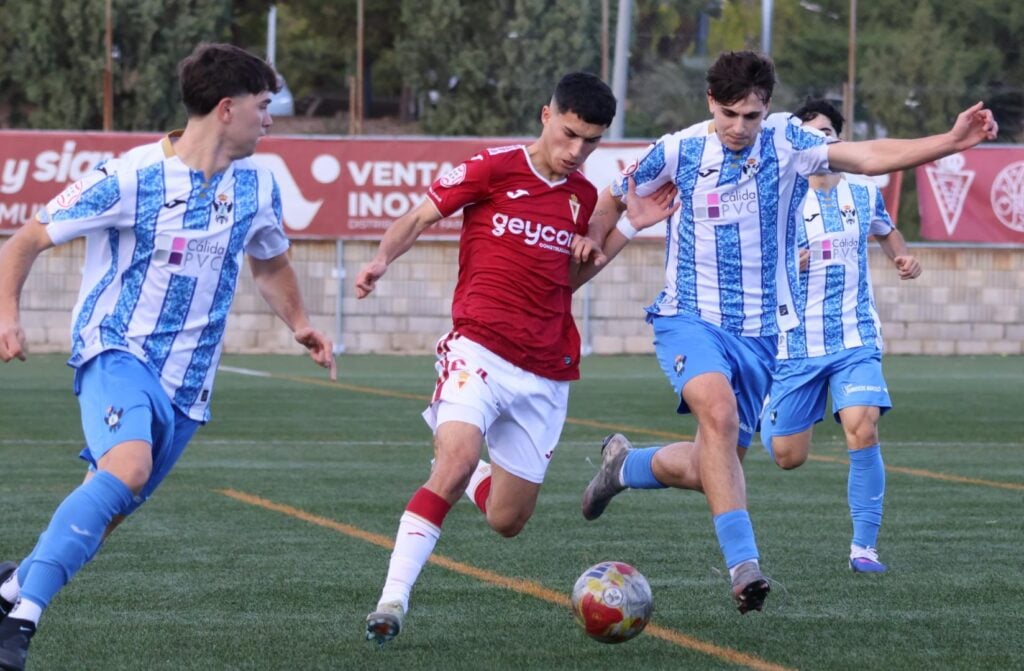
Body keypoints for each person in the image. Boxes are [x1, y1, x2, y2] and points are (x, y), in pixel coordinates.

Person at [577, 51, 997, 614]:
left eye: (751, 116)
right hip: (689, 316)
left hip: (760, 335)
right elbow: (614, 194)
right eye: (728, 114)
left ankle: (624, 467)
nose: (738, 128)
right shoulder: (678, 149)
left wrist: (947, 141)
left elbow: (868, 156)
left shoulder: (786, 143)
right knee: (719, 416)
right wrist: (593, 236)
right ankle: (745, 567)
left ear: (767, 108)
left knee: (714, 464)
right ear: (710, 103)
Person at [0, 43, 335, 671]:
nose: (272, 120)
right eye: (265, 107)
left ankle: (10, 589)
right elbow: (27, 239)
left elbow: (269, 262)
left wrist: (301, 323)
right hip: (116, 350)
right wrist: (7, 316)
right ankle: (20, 623)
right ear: (228, 109)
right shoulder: (130, 176)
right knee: (125, 470)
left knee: (106, 508)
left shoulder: (257, 186)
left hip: (190, 383)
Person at [355, 71, 674, 647]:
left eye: (592, 142)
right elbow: (419, 217)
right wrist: (381, 259)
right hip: (476, 347)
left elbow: (569, 282)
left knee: (507, 521)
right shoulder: (492, 167)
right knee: (451, 464)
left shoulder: (581, 199)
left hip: (545, 372)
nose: (577, 151)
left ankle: (474, 467)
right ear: (545, 115)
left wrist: (626, 225)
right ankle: (392, 600)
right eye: (571, 133)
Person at [758, 98, 919, 573]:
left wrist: (902, 258)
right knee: (788, 457)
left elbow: (888, 233)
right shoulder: (781, 197)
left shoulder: (866, 193)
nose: (820, 140)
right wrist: (789, 264)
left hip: (855, 337)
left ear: (840, 139)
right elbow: (756, 262)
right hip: (796, 343)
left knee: (862, 427)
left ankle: (864, 547)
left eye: (826, 132)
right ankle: (772, 406)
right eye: (809, 133)